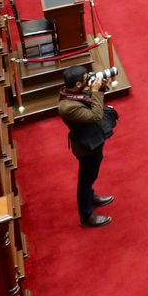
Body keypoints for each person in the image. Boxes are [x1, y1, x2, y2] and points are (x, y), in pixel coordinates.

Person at [58, 65, 115, 227]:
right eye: (85, 79)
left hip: (94, 141)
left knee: (91, 174)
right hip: (86, 147)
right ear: (77, 85)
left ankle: (91, 196)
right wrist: (96, 91)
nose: (89, 79)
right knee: (86, 179)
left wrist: (101, 86)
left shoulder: (73, 92)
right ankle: (86, 215)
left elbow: (91, 99)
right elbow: (96, 115)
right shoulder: (67, 107)